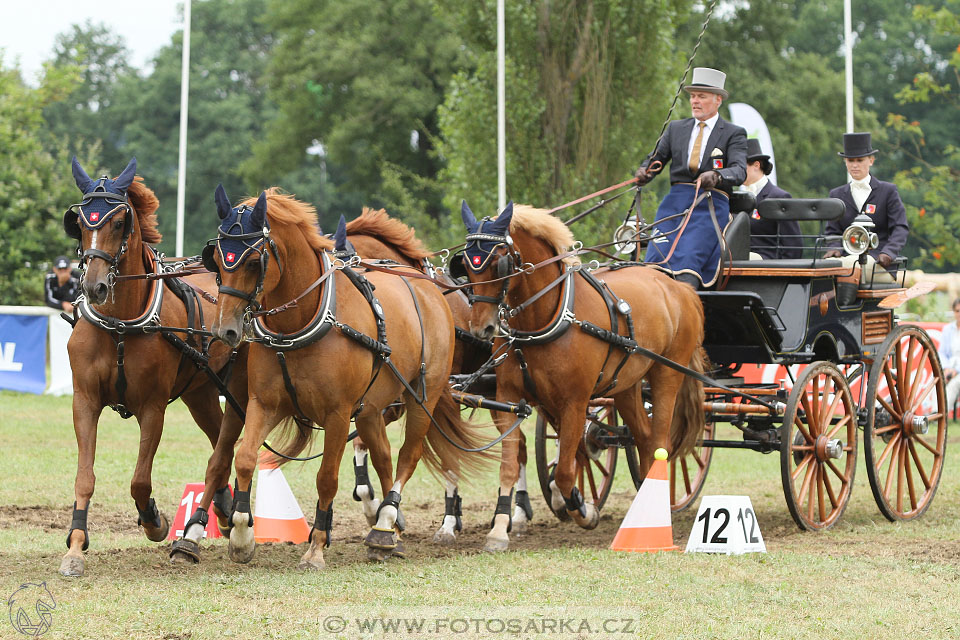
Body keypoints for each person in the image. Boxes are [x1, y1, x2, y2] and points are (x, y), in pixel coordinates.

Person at [635, 67, 747, 289]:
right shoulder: (676, 129)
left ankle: (687, 301)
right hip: (674, 204)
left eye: (701, 97)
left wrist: (716, 175)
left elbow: (739, 170)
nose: (695, 101)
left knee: (688, 258)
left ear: (717, 100)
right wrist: (645, 171)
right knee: (655, 260)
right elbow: (655, 160)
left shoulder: (733, 133)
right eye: (693, 96)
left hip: (709, 204)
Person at [824, 132, 909, 283]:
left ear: (871, 160)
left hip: (879, 261)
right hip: (847, 257)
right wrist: (834, 248)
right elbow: (832, 231)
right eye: (851, 160)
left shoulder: (888, 191)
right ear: (845, 162)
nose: (855, 165)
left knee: (853, 267)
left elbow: (900, 228)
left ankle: (844, 304)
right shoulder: (836, 194)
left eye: (860, 160)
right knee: (826, 268)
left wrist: (888, 253)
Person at [740, 138, 802, 259]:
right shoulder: (737, 198)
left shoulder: (779, 197)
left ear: (756, 165)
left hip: (767, 264)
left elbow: (793, 245)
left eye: (741, 166)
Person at [939, 298, 960, 418]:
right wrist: (946, 368)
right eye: (957, 311)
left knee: (954, 383)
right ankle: (931, 412)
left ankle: (941, 414)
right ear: (954, 312)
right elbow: (941, 352)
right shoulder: (947, 330)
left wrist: (956, 370)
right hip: (949, 365)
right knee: (937, 379)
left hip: (958, 369)